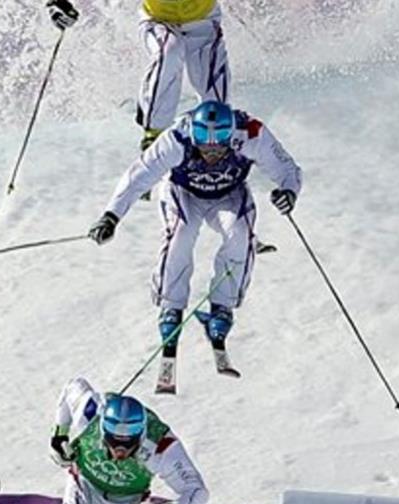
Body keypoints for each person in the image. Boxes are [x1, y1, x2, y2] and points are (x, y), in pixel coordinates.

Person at [86, 100, 302, 393]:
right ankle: (171, 305)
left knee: (240, 237)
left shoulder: (251, 132)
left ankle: (223, 306)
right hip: (183, 193)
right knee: (181, 236)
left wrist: (288, 191)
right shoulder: (178, 138)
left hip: (229, 194)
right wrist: (111, 216)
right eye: (205, 148)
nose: (211, 154)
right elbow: (140, 174)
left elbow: (286, 167)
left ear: (230, 137)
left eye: (218, 148)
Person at [46, 0, 232, 151]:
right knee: (170, 52)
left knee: (215, 103)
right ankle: (154, 136)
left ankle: (216, 146)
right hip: (159, 20)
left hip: (203, 21)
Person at [49, 377, 209, 504]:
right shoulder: (90, 414)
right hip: (84, 485)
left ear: (141, 434)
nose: (120, 450)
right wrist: (59, 435)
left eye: (128, 443)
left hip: (126, 500)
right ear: (103, 430)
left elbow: (196, 490)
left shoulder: (159, 445)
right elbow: (73, 387)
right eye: (113, 441)